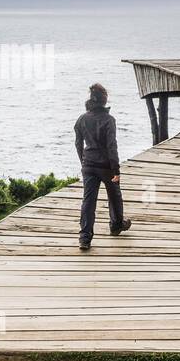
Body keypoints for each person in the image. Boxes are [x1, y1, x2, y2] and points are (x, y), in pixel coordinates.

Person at [74, 82, 131, 250]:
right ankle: (116, 225)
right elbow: (112, 146)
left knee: (88, 201)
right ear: (104, 100)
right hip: (106, 166)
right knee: (114, 195)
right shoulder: (109, 120)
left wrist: (83, 161)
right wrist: (116, 170)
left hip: (88, 165)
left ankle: (85, 238)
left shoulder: (82, 119)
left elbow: (78, 143)